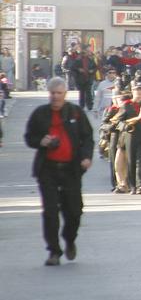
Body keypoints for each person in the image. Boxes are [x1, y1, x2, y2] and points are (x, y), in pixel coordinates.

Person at [23, 77, 94, 266]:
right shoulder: (40, 114)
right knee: (50, 212)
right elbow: (29, 137)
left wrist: (87, 157)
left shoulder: (75, 113)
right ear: (49, 94)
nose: (55, 97)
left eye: (59, 93)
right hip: (47, 169)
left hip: (71, 169)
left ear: (65, 94)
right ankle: (54, 251)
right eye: (53, 93)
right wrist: (41, 141)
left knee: (75, 211)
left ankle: (69, 239)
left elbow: (88, 138)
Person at [69, 45, 101, 111]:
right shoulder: (78, 59)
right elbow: (72, 67)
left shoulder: (91, 59)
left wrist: (92, 70)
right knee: (82, 93)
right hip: (80, 78)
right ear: (84, 51)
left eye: (89, 51)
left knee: (89, 93)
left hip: (88, 78)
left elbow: (96, 67)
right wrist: (78, 69)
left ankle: (90, 106)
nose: (89, 52)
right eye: (88, 51)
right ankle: (82, 106)